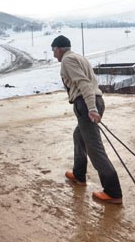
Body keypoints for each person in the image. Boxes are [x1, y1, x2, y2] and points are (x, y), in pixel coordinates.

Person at [51, 35, 123, 204]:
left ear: (60, 49)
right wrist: (93, 105)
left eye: (54, 50)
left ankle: (113, 192)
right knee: (79, 136)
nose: (54, 54)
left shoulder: (67, 61)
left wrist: (91, 108)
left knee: (94, 149)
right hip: (94, 100)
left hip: (85, 103)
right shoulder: (79, 57)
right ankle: (79, 174)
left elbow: (83, 83)